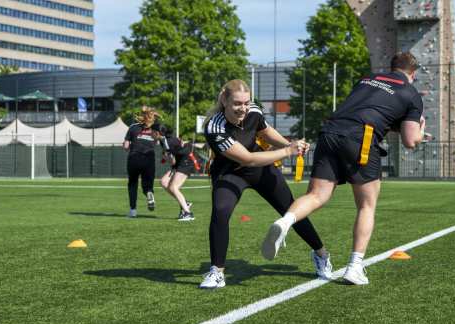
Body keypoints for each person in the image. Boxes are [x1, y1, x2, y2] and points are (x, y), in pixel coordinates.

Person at [264, 52, 428, 285]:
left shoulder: (367, 79)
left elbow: (371, 112)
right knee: (366, 205)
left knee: (316, 195)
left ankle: (285, 222)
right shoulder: (411, 93)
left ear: (391, 67)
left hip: (330, 131)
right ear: (413, 74)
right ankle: (354, 267)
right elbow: (410, 141)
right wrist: (420, 130)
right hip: (361, 138)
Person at [199, 79, 332, 289]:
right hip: (229, 173)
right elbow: (246, 159)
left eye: (246, 103)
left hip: (260, 170)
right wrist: (288, 151)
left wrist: (290, 144)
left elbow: (266, 132)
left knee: (291, 210)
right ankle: (217, 272)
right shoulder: (214, 127)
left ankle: (322, 255)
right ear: (224, 100)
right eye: (237, 104)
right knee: (220, 212)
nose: (243, 108)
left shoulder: (254, 111)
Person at [123, 106, 160, 217]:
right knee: (148, 184)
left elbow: (126, 146)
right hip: (149, 159)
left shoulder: (133, 127)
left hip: (134, 158)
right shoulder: (155, 129)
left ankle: (133, 211)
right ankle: (149, 193)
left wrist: (127, 146)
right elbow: (158, 142)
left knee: (133, 184)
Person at [156, 125, 196, 221]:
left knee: (173, 187)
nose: (150, 133)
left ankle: (188, 213)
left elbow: (172, 161)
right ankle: (185, 203)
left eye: (151, 132)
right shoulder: (163, 140)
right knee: (164, 182)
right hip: (179, 163)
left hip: (185, 163)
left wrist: (165, 157)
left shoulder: (167, 142)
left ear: (157, 133)